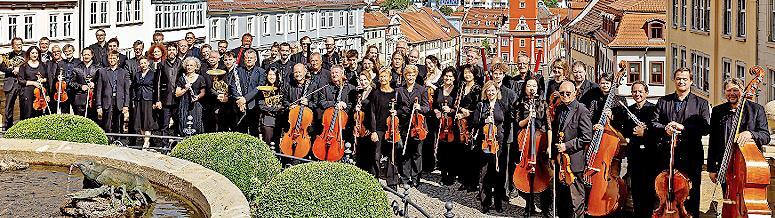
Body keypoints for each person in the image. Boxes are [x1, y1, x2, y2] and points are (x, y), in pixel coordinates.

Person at [651, 68, 710, 218]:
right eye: (678, 79)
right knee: (665, 193)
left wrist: (683, 127)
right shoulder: (663, 101)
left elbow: (704, 128)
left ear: (691, 81)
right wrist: (665, 128)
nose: (681, 81)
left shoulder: (701, 103)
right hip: (666, 155)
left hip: (691, 155)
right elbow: (653, 123)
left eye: (684, 79)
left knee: (692, 194)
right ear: (674, 81)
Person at [707, 78, 771, 201]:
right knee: (729, 200)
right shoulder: (717, 111)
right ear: (724, 92)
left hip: (747, 166)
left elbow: (766, 136)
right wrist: (711, 168)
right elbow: (713, 142)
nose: (732, 93)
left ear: (743, 91)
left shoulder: (756, 109)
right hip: (726, 165)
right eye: (728, 90)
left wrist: (751, 134)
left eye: (735, 90)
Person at [552, 81, 592, 218]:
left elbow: (586, 137)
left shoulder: (582, 110)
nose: (565, 95)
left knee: (576, 200)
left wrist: (567, 146)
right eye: (562, 93)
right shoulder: (559, 109)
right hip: (560, 161)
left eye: (568, 93)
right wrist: (553, 157)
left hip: (574, 161)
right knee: (562, 199)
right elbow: (557, 134)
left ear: (575, 93)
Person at [622, 81, 660, 218]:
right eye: (634, 92)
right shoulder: (629, 110)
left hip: (650, 156)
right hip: (634, 155)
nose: (637, 94)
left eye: (640, 91)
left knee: (649, 190)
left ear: (646, 93)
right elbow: (625, 131)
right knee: (636, 189)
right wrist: (632, 131)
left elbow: (658, 131)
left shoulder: (654, 109)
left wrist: (646, 131)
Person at [472, 81, 507, 213]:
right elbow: (475, 122)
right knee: (484, 173)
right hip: (485, 142)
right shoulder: (481, 105)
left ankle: (498, 203)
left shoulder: (502, 105)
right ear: (485, 92)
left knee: (498, 173)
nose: (491, 93)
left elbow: (507, 121)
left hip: (499, 142)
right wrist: (485, 120)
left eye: (493, 90)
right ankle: (485, 202)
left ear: (497, 91)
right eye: (488, 91)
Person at [396, 65, 429, 187]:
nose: (410, 77)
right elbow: (398, 107)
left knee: (417, 153)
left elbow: (427, 108)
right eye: (408, 75)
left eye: (412, 75)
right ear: (405, 76)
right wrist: (399, 111)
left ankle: (415, 177)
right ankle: (404, 177)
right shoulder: (399, 90)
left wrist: (419, 107)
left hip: (417, 125)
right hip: (404, 124)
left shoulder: (422, 90)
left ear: (415, 76)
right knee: (404, 152)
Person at [367, 69, 400, 189]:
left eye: (385, 76)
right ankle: (374, 180)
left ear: (390, 78)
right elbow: (372, 113)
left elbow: (401, 110)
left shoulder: (396, 94)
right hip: (379, 129)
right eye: (381, 76)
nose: (383, 79)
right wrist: (373, 131)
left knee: (392, 155)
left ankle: (392, 182)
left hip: (392, 129)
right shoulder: (375, 93)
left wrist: (396, 111)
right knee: (376, 155)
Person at [455, 64, 482, 192]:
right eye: (465, 72)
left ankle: (473, 182)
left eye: (470, 73)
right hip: (461, 122)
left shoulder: (477, 88)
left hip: (472, 123)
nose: (467, 75)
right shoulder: (461, 86)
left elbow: (479, 107)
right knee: (462, 153)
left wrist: (469, 113)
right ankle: (464, 181)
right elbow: (457, 103)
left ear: (474, 74)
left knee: (472, 153)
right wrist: (460, 110)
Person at [95, 51, 131, 133]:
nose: (112, 60)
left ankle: (118, 140)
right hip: (107, 101)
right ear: (108, 59)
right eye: (110, 58)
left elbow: (126, 90)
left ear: (118, 59)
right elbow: (99, 90)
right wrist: (99, 105)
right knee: (107, 124)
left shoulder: (124, 72)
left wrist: (126, 105)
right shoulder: (102, 71)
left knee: (118, 124)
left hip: (119, 101)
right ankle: (108, 141)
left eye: (114, 58)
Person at [230, 49, 264, 135]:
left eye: (251, 58)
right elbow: (233, 86)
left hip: (254, 105)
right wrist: (239, 99)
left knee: (254, 131)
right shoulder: (237, 70)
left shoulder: (261, 71)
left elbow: (259, 88)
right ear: (244, 59)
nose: (249, 59)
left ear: (255, 59)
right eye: (247, 58)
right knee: (240, 131)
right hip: (239, 105)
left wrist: (245, 99)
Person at [433, 67, 458, 186]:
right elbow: (434, 105)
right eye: (446, 76)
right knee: (441, 150)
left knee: (452, 150)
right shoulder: (438, 90)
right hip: (441, 124)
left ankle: (452, 175)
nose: (448, 78)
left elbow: (458, 107)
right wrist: (437, 112)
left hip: (452, 124)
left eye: (450, 76)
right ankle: (443, 174)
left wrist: (451, 110)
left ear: (454, 78)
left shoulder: (457, 90)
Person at [131, 56, 159, 148]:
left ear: (148, 63)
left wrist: (155, 101)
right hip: (139, 99)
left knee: (147, 121)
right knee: (140, 121)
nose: (143, 65)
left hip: (149, 99)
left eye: (144, 63)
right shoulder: (137, 74)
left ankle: (146, 142)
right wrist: (134, 99)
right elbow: (134, 87)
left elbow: (156, 88)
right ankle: (145, 140)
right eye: (141, 63)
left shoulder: (153, 74)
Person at [175, 57, 206, 135]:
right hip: (184, 104)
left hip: (196, 104)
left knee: (196, 124)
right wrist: (185, 88)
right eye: (187, 65)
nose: (189, 67)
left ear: (196, 67)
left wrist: (197, 97)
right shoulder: (182, 78)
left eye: (191, 65)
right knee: (184, 124)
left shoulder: (200, 78)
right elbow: (177, 94)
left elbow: (203, 92)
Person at [17, 46, 50, 119]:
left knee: (38, 113)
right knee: (27, 113)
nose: (34, 55)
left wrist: (43, 80)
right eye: (32, 53)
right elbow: (20, 80)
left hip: (39, 93)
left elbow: (47, 79)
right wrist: (33, 83)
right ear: (29, 54)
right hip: (27, 92)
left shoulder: (43, 65)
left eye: (36, 53)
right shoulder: (23, 66)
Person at [158, 43, 182, 138]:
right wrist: (158, 100)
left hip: (178, 99)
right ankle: (164, 144)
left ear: (176, 51)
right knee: (165, 124)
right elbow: (158, 83)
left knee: (177, 122)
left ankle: (176, 143)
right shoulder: (162, 64)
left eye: (173, 49)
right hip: (166, 99)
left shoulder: (181, 63)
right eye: (170, 49)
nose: (171, 52)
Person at [257, 67, 284, 146]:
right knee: (267, 144)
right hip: (267, 120)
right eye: (270, 74)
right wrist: (276, 108)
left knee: (277, 144)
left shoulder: (281, 88)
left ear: (277, 76)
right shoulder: (262, 88)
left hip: (279, 119)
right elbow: (261, 106)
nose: (271, 77)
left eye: (273, 74)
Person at [72, 48, 100, 120]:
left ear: (92, 55)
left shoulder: (98, 68)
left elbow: (102, 82)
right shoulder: (76, 68)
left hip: (93, 99)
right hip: (80, 99)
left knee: (93, 121)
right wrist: (81, 86)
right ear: (82, 55)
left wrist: (95, 84)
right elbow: (71, 83)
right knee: (80, 122)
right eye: (84, 55)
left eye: (88, 54)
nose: (86, 56)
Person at [3, 37, 24, 129]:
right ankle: (8, 126)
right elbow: (2, 68)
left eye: (20, 44)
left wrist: (20, 69)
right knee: (9, 106)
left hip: (23, 82)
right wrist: (12, 70)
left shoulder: (27, 54)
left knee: (24, 105)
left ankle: (23, 125)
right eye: (17, 44)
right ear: (12, 46)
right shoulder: (7, 56)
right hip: (11, 82)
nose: (19, 46)